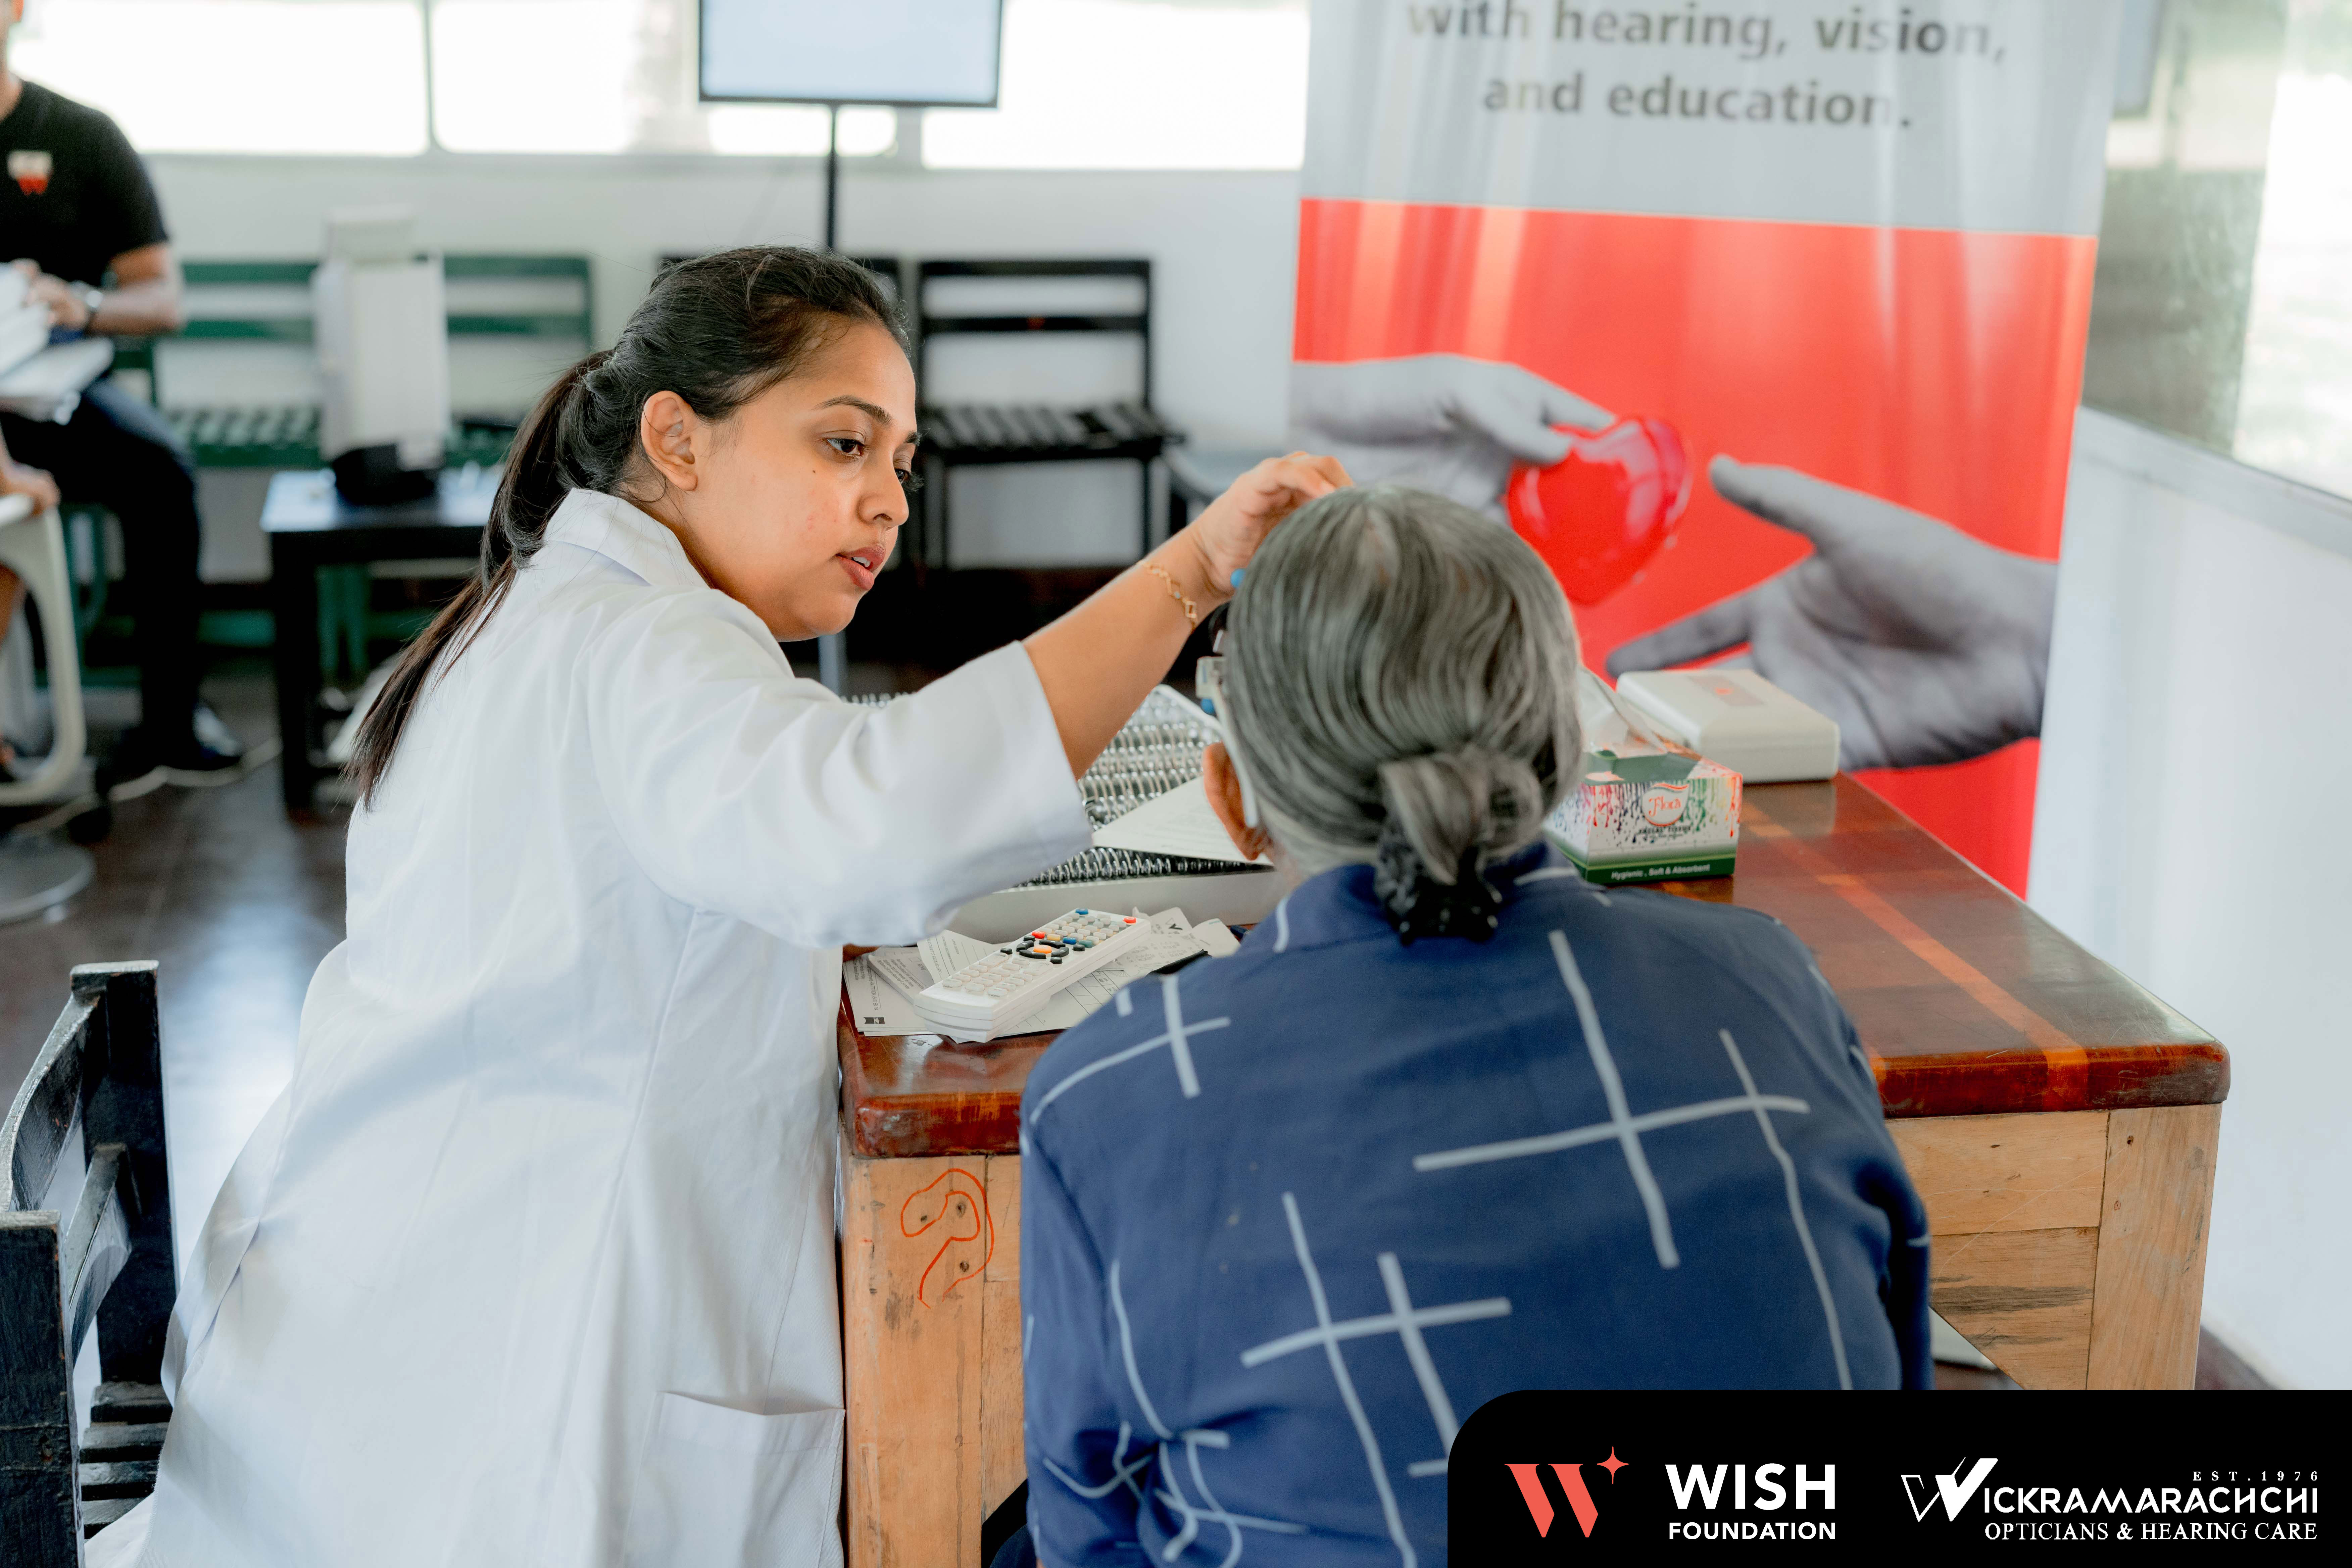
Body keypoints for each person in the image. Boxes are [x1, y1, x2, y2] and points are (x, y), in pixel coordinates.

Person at [92, 248, 1345, 1566]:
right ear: (677, 439)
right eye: (844, 442)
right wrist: (1193, 572)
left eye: (903, 463)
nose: (888, 501)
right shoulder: (644, 645)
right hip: (518, 1405)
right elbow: (869, 823)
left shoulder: (557, 610)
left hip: (378, 1330)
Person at [1014, 485, 1931, 1566]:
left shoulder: (1114, 1096)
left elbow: (1089, 1530)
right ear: (1566, 756)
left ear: (1229, 791)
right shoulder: (1768, 979)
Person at [0, 0, 236, 776]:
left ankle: (171, 723)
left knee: (161, 472)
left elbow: (162, 299)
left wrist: (86, 304)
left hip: (58, 398)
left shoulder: (81, 136)